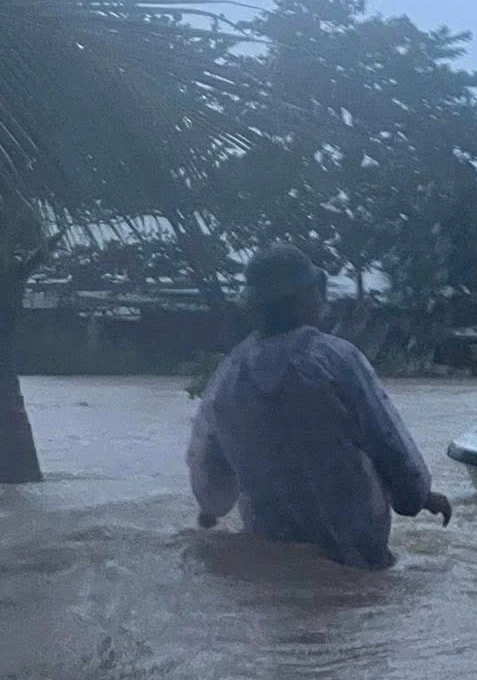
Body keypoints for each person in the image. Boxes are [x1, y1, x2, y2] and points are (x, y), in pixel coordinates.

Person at [188, 243, 452, 569]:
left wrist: (210, 509)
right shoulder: (335, 359)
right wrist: (417, 496)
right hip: (356, 542)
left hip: (271, 543)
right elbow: (384, 437)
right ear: (303, 298)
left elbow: (209, 458)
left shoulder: (230, 374)